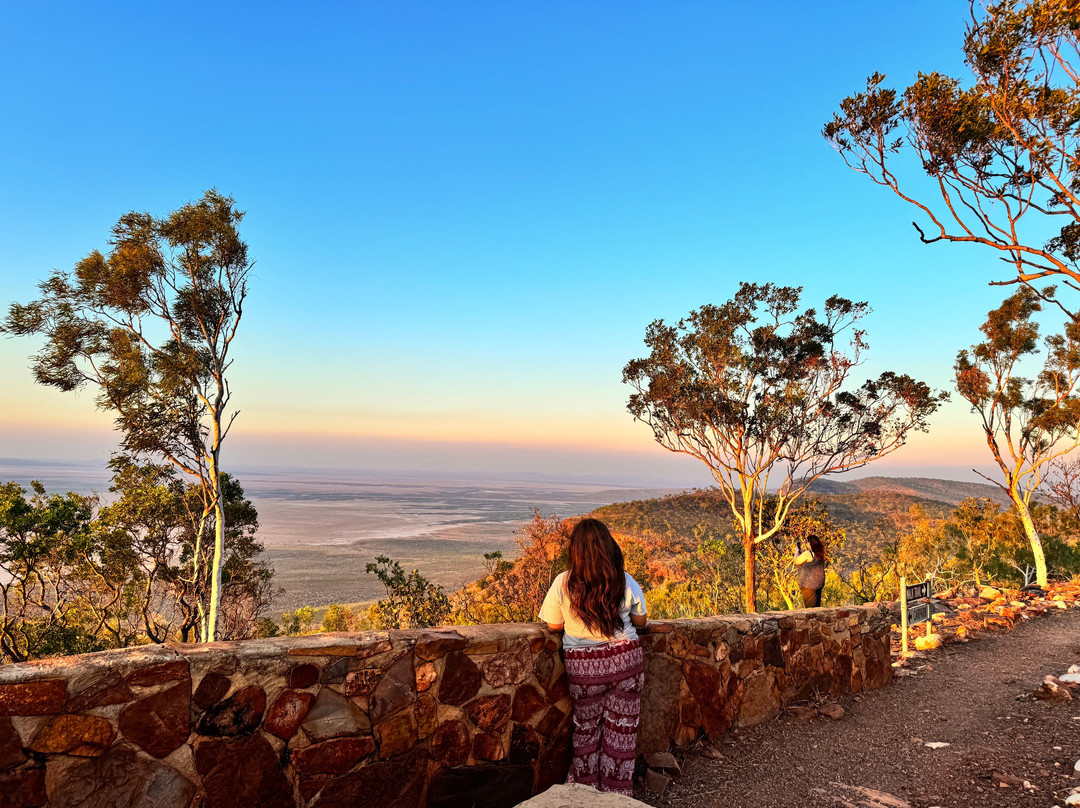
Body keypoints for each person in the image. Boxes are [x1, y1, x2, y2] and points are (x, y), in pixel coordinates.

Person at [539, 518, 647, 796]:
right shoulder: (624, 579)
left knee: (586, 730)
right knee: (621, 733)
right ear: (608, 547)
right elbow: (642, 620)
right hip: (625, 661)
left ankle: (583, 794)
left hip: (584, 668)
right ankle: (618, 796)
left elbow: (553, 625)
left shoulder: (563, 582)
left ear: (575, 550)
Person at [793, 534, 826, 608]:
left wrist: (796, 551)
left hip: (809, 585)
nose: (806, 544)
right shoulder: (819, 554)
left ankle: (812, 620)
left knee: (810, 609)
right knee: (817, 607)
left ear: (811, 543)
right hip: (819, 584)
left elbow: (796, 561)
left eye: (807, 542)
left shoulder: (808, 553)